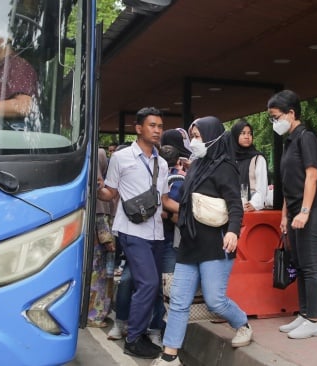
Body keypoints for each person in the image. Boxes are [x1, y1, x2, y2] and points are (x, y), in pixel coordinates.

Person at [152, 116, 250, 366]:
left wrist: (233, 231)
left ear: (212, 136)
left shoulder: (226, 167)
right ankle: (170, 356)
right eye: (193, 136)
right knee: (178, 301)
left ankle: (242, 324)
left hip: (216, 244)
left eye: (197, 136)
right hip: (190, 243)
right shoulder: (195, 166)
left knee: (215, 300)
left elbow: (235, 205)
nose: (194, 141)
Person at [97, 107, 179, 359]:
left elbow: (164, 199)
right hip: (131, 230)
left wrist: (192, 209)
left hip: (155, 232)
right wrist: (95, 187)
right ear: (139, 128)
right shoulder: (121, 158)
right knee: (148, 283)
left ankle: (140, 332)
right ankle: (132, 338)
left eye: (160, 126)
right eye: (152, 125)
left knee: (151, 287)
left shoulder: (162, 163)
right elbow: (110, 192)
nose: (157, 130)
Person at [267, 90, 317, 339]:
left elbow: (311, 176)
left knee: (311, 265)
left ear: (291, 113)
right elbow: (288, 183)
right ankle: (304, 314)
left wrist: (304, 211)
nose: (274, 122)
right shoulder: (289, 141)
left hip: (311, 210)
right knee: (300, 265)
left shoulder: (306, 137)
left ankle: (315, 319)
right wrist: (285, 215)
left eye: (276, 116)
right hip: (293, 211)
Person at [87, 148, 116, 327]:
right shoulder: (99, 188)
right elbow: (100, 216)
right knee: (98, 279)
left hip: (95, 242)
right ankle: (94, 315)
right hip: (101, 244)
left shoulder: (97, 185)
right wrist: (108, 241)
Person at [230, 119, 268, 211]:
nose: (247, 137)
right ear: (235, 136)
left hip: (251, 207)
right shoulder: (229, 158)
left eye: (250, 133)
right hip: (233, 207)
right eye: (243, 133)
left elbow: (262, 187)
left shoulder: (257, 159)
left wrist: (253, 204)